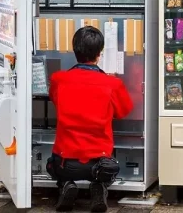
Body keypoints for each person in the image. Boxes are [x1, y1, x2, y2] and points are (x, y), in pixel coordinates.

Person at [46, 26, 133, 212]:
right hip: (101, 164)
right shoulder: (112, 83)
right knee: (107, 167)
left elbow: (55, 99)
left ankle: (66, 184)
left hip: (64, 162)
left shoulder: (59, 79)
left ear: (74, 50)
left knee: (54, 165)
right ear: (100, 54)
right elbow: (124, 111)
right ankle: (99, 187)